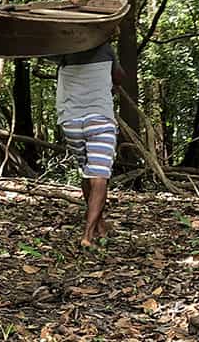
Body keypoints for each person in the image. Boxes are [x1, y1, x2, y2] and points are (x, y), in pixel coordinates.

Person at [54, 40, 124, 248]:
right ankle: (88, 235)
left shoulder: (65, 50)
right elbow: (119, 77)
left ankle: (100, 223)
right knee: (100, 177)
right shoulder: (105, 49)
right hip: (100, 119)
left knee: (88, 172)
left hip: (71, 121)